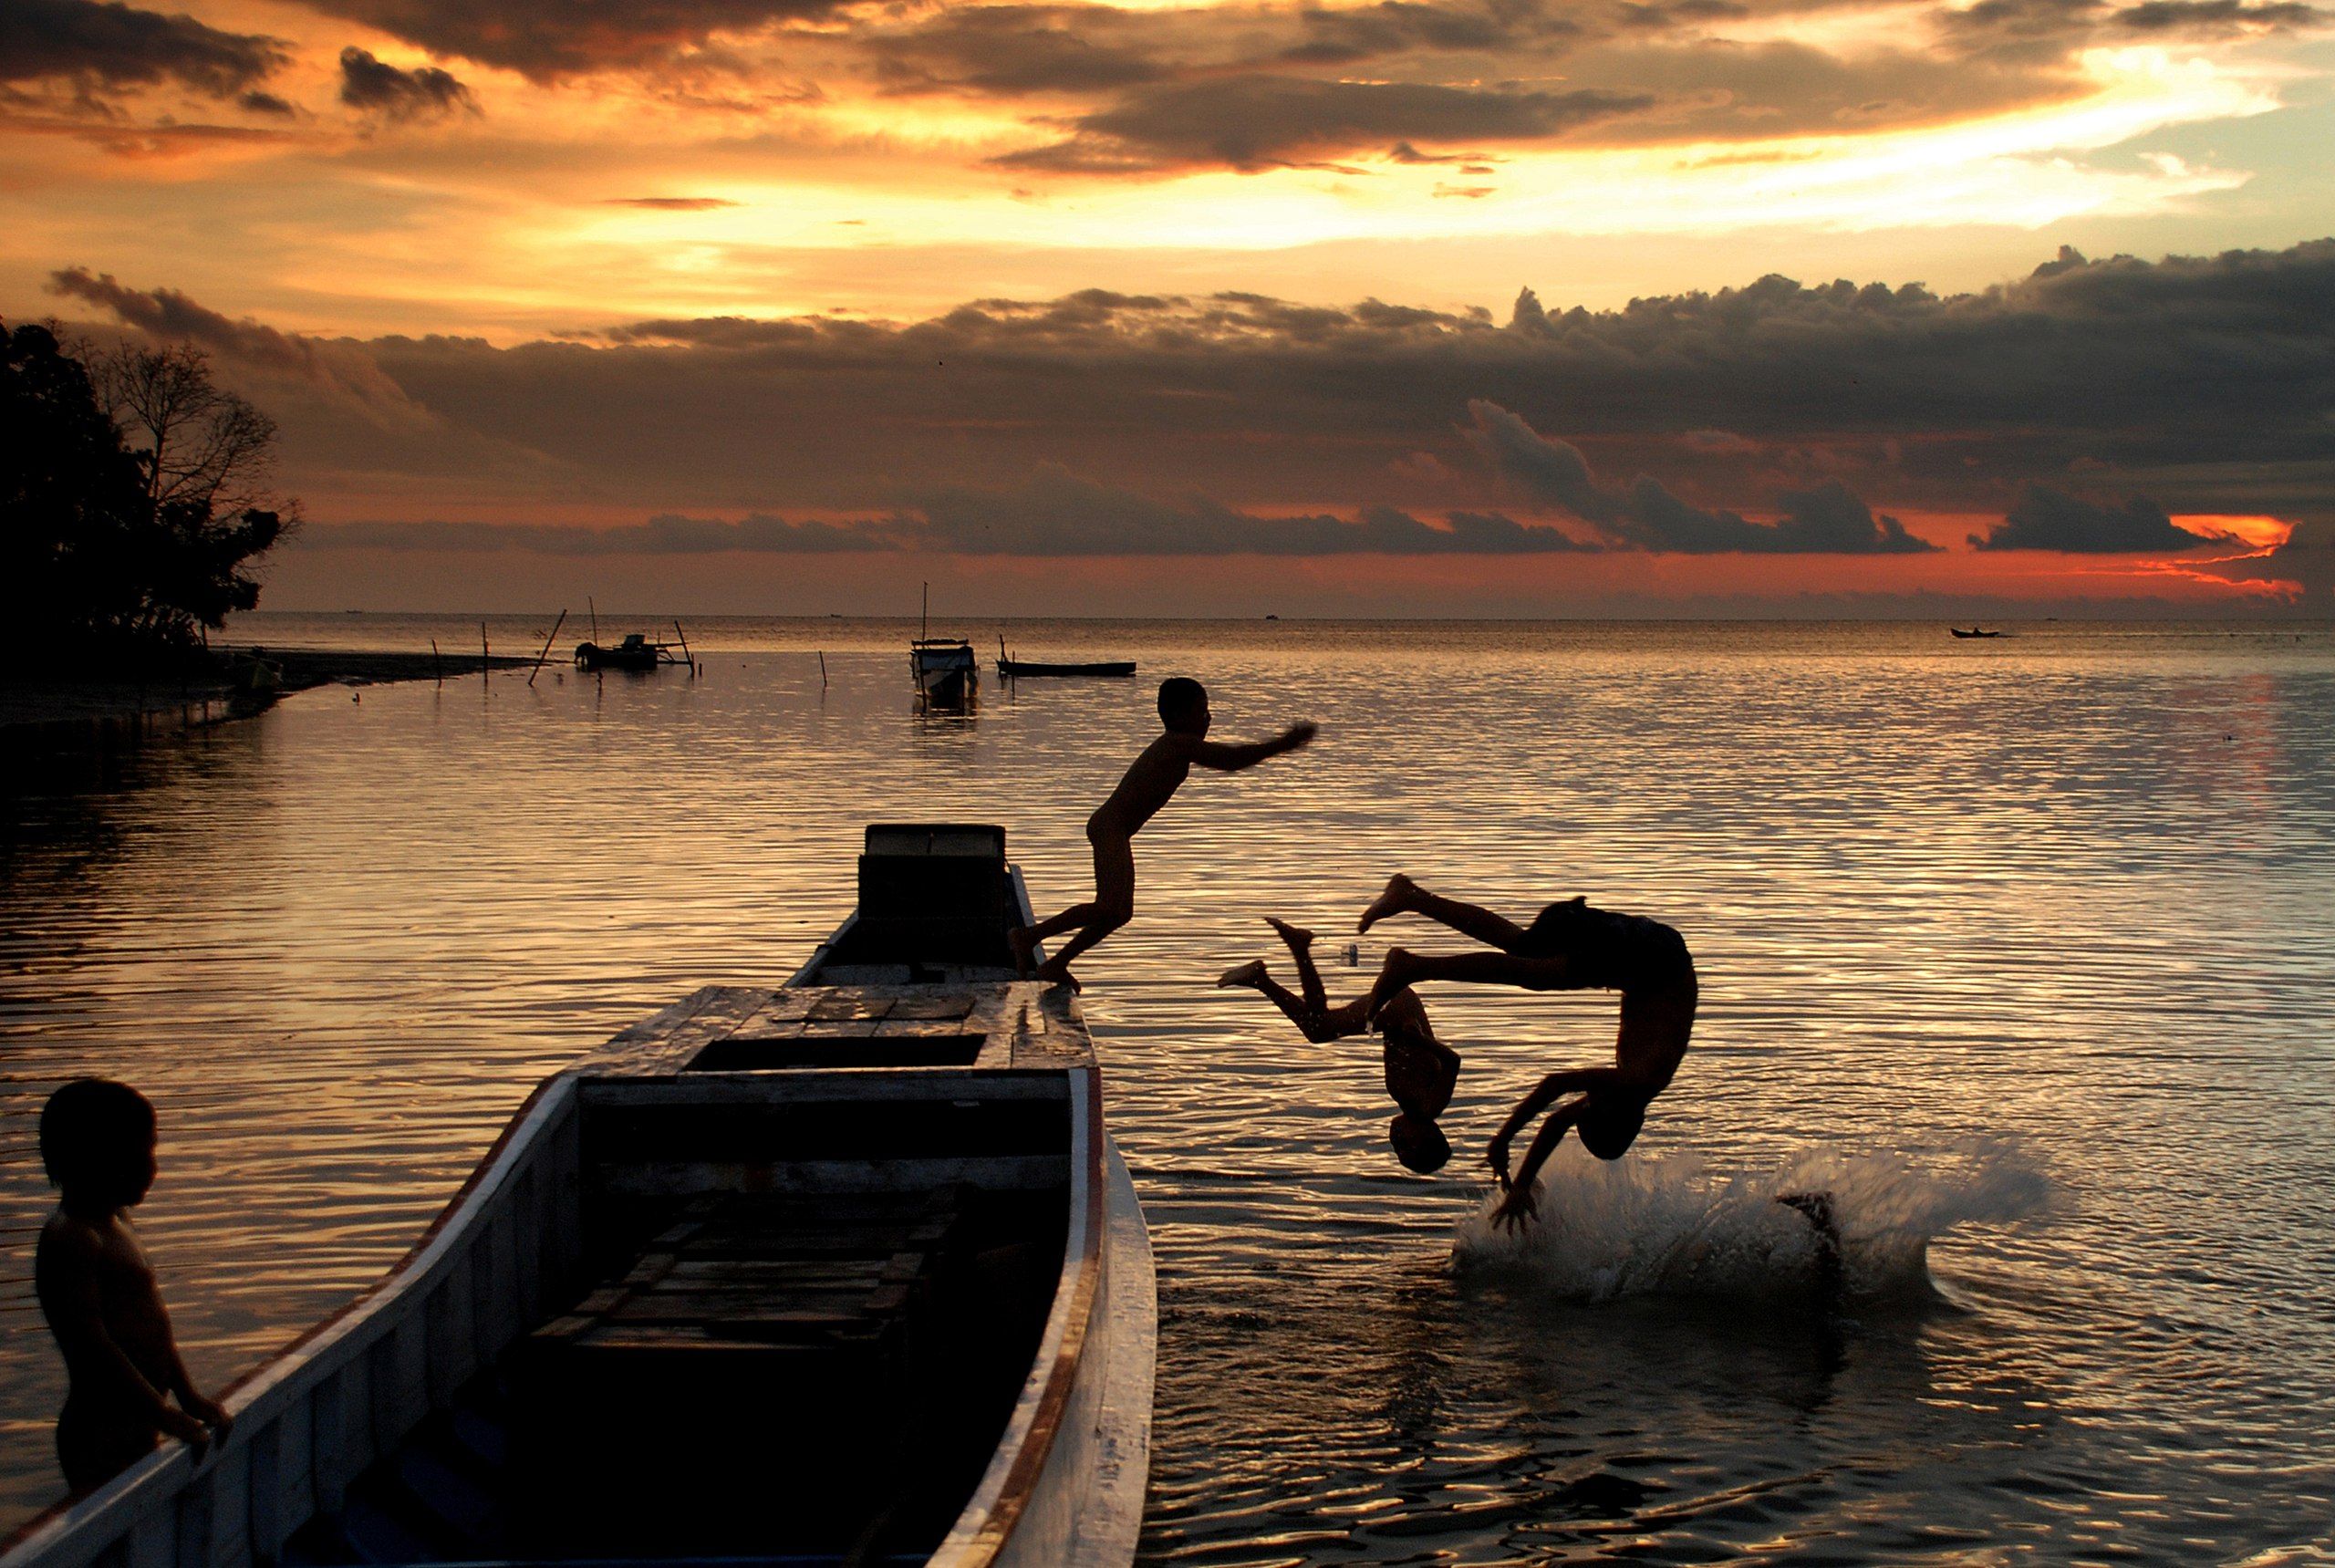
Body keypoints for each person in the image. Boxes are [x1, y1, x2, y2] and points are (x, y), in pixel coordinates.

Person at [1358, 875, 1697, 1231]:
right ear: (1616, 1112)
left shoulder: (1622, 1095)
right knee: (1531, 968)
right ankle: (1414, 962)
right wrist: (1504, 1142)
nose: (1587, 1100)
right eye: (1591, 1106)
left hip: (1642, 957)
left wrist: (1518, 1175)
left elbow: (1555, 1121)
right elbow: (1554, 1085)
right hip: (1651, 955)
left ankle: (1412, 905)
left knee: (1523, 950)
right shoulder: (1642, 1078)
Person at [1011, 678, 1314, 989]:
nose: (1208, 718)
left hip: (1116, 831)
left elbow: (1228, 761)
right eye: (1202, 711)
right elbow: (1231, 760)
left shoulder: (1180, 746)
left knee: (1119, 913)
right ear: (1180, 716)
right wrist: (1283, 744)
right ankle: (1028, 936)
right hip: (1109, 827)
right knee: (1106, 906)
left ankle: (1057, 964)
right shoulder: (1176, 743)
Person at [35, 1079, 234, 1494]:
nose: (152, 1167)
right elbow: (93, 1348)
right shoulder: (72, 1237)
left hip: (143, 1418)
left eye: (152, 1150)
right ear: (92, 1158)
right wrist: (165, 1415)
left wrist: (187, 1397)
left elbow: (154, 1328)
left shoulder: (118, 1221)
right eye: (139, 1153)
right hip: (98, 1433)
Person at [1217, 916, 1462, 1173]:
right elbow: (1452, 1061)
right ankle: (1293, 952)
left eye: (1396, 1149)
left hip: (1399, 1014)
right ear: (1425, 1137)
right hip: (1401, 1012)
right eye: (1403, 1146)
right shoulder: (1428, 1108)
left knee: (1318, 1028)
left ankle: (1267, 974)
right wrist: (1418, 1038)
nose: (1395, 1142)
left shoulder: (1413, 1106)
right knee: (1321, 1028)